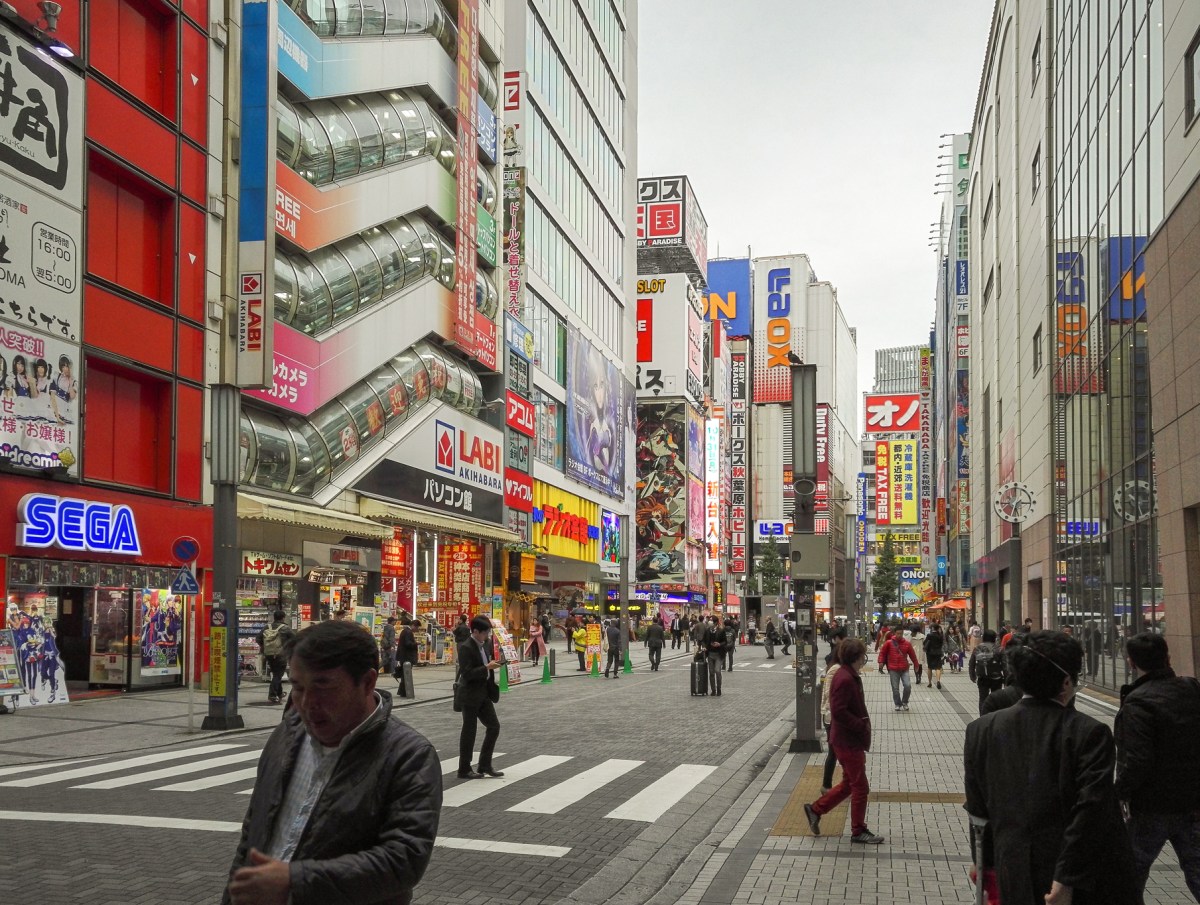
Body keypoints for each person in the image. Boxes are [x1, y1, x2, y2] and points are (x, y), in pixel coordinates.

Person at [222, 620, 441, 905]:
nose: (308, 703)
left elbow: (403, 860)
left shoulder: (408, 756)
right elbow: (254, 830)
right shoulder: (288, 734)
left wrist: (294, 881)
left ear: (367, 682)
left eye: (323, 686)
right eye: (298, 688)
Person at [963, 631, 1140, 905]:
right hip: (1080, 872)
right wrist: (1067, 876)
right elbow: (1091, 809)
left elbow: (978, 806)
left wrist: (982, 861)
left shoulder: (981, 730)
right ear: (1067, 681)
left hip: (1014, 865)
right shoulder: (1090, 732)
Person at [1114, 632, 1200, 900]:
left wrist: (1118, 792)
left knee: (1130, 877)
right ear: (1168, 658)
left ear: (1131, 662)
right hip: (1193, 802)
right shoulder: (1193, 689)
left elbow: (1137, 760)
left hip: (1150, 807)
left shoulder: (1138, 703)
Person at [803, 639, 883, 844]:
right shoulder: (845, 678)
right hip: (848, 741)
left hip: (847, 739)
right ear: (856, 657)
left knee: (849, 784)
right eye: (862, 656)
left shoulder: (847, 675)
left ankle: (816, 809)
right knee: (860, 787)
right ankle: (858, 830)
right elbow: (838, 710)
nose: (864, 659)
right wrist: (860, 725)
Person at [456, 616, 503, 780]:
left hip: (484, 693)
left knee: (494, 726)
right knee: (469, 731)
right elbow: (467, 674)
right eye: (484, 633)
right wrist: (486, 667)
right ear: (475, 631)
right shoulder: (465, 647)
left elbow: (486, 664)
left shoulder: (486, 645)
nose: (487, 636)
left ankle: (484, 764)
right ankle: (464, 768)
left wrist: (494, 665)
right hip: (469, 695)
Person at [818, 638, 843, 794]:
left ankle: (828, 785)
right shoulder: (835, 669)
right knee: (835, 752)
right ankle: (826, 785)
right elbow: (828, 694)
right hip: (831, 716)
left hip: (833, 715)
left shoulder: (838, 668)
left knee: (836, 752)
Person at [877, 627, 920, 711]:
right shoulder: (889, 643)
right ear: (894, 633)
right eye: (897, 633)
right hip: (893, 669)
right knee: (895, 688)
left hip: (904, 668)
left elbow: (913, 655)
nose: (899, 635)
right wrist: (880, 662)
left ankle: (904, 702)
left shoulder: (907, 644)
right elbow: (882, 653)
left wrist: (916, 664)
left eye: (900, 633)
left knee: (907, 686)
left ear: (903, 633)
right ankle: (897, 703)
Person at [256, 611, 293, 705]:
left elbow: (258, 639)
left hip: (269, 654)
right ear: (283, 618)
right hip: (281, 654)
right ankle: (272, 695)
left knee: (276, 674)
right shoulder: (286, 628)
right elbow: (294, 640)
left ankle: (279, 693)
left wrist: (265, 647)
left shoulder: (267, 627)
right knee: (278, 675)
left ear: (274, 617)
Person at [969, 629, 1006, 716]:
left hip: (982, 677)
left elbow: (972, 663)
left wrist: (972, 676)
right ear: (994, 638)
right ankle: (995, 716)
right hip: (996, 678)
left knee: (983, 698)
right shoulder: (999, 649)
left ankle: (983, 717)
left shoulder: (977, 648)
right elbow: (1005, 665)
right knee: (996, 698)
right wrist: (1006, 678)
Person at [395, 619, 420, 698]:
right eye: (417, 628)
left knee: (404, 674)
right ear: (413, 626)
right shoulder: (408, 632)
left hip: (403, 656)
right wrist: (416, 644)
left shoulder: (404, 631)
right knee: (406, 674)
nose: (417, 630)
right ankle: (404, 692)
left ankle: (402, 691)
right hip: (406, 656)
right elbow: (408, 644)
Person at [703, 615, 724, 696]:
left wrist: (719, 644)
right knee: (711, 673)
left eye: (711, 620)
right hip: (710, 654)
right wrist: (704, 646)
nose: (709, 621)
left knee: (717, 671)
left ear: (715, 622)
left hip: (719, 654)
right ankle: (713, 690)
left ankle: (719, 688)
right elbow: (703, 640)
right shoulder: (707, 630)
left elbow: (724, 642)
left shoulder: (721, 631)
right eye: (709, 620)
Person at [923, 624, 945, 690]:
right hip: (938, 653)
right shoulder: (940, 636)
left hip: (930, 653)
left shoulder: (929, 635)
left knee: (930, 667)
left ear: (932, 628)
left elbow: (925, 643)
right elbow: (942, 644)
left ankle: (930, 682)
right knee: (938, 667)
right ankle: (938, 680)